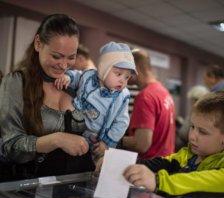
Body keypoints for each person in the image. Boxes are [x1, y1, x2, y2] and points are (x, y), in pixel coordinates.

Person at [0, 14, 96, 181]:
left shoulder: (78, 85)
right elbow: (11, 146)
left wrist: (100, 147)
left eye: (71, 57)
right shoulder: (17, 82)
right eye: (56, 56)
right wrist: (57, 139)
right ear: (38, 44)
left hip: (78, 188)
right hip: (32, 189)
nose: (64, 65)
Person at [123, 91, 224, 195]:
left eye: (202, 132)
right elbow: (155, 164)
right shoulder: (186, 156)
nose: (192, 136)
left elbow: (198, 181)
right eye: (192, 127)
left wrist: (158, 182)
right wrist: (119, 161)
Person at [55, 41, 137, 161]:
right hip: (73, 127)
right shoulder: (88, 76)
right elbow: (77, 77)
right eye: (118, 74)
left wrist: (107, 142)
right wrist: (68, 77)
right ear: (104, 68)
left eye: (127, 77)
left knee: (89, 164)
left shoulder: (122, 96)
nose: (122, 81)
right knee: (66, 156)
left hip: (95, 138)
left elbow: (122, 123)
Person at [119, 49, 176, 159]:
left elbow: (141, 144)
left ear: (134, 68)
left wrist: (113, 139)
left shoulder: (145, 96)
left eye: (123, 70)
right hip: (166, 163)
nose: (121, 76)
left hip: (149, 166)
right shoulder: (164, 92)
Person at [175, 85, 209, 151]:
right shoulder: (196, 111)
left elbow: (186, 134)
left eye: (194, 99)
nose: (192, 102)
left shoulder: (198, 113)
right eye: (192, 99)